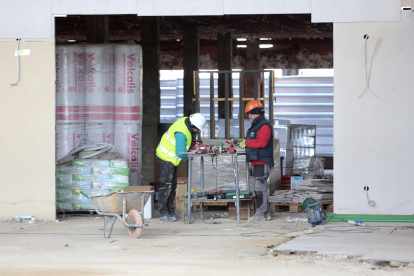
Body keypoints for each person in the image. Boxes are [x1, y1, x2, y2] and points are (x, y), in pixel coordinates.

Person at [156, 113, 207, 222]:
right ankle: (163, 213)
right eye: (197, 130)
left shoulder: (187, 122)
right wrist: (190, 157)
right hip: (166, 157)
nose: (198, 131)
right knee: (167, 186)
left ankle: (170, 211)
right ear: (193, 126)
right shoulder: (181, 133)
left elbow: (190, 136)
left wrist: (195, 140)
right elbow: (180, 153)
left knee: (173, 185)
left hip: (171, 159)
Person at [235, 100, 274, 222]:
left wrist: (245, 143)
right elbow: (255, 140)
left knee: (260, 188)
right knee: (259, 188)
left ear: (256, 113)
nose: (249, 116)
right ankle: (265, 212)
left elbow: (261, 143)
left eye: (250, 114)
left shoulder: (264, 126)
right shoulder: (257, 125)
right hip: (257, 162)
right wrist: (243, 142)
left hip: (262, 162)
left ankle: (261, 214)